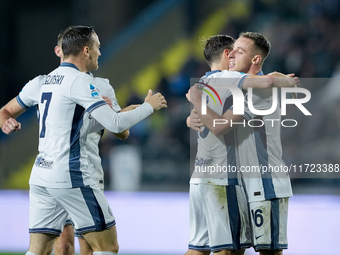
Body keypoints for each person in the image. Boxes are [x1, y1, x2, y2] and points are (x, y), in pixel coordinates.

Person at [0, 25, 167, 255]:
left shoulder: (41, 82)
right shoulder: (80, 82)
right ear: (86, 50)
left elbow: (5, 110)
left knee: (38, 250)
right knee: (106, 246)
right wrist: (149, 107)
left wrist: (6, 121)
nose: (100, 51)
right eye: (97, 47)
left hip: (41, 176)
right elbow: (117, 125)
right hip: (72, 175)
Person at [184, 35, 297, 255]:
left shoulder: (258, 91)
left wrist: (196, 100)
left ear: (255, 59)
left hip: (266, 184)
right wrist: (192, 117)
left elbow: (219, 125)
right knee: (233, 250)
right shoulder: (234, 87)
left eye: (239, 51)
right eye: (232, 50)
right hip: (242, 183)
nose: (232, 54)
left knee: (266, 252)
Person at [52, 28, 134, 255]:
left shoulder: (101, 86)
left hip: (88, 171)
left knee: (88, 246)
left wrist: (108, 110)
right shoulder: (50, 86)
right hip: (57, 171)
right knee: (63, 244)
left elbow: (121, 131)